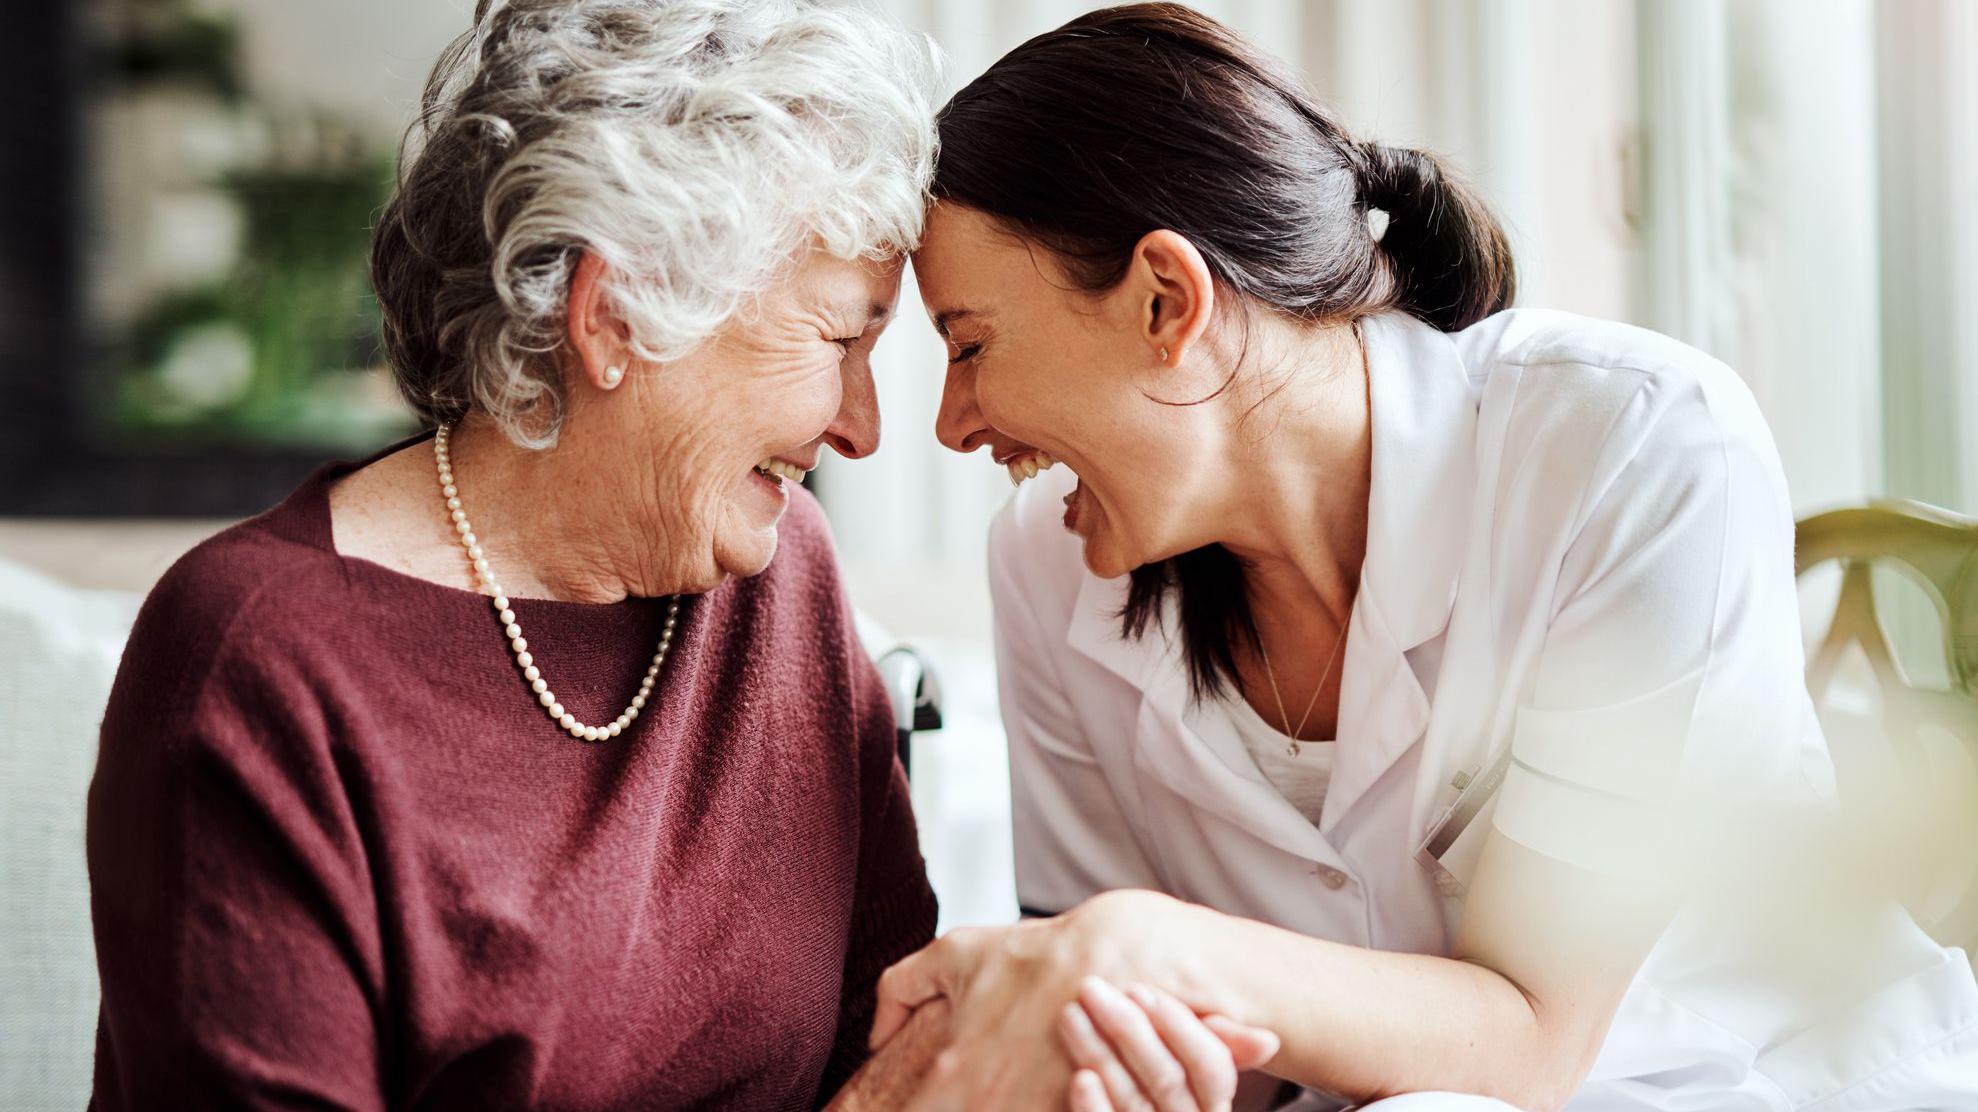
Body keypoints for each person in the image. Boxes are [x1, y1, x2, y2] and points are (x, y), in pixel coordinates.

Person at [879, 4, 1978, 1110]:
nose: (953, 423)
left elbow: (1530, 1038)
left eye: (968, 344)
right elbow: (1162, 1050)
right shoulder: (1047, 565)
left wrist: (1144, 948)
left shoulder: (1633, 446)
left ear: (1167, 299)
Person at [87, 2, 951, 1106]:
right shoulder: (260, 656)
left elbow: (905, 1047)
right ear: (615, 315)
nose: (862, 428)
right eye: (839, 337)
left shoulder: (782, 585)